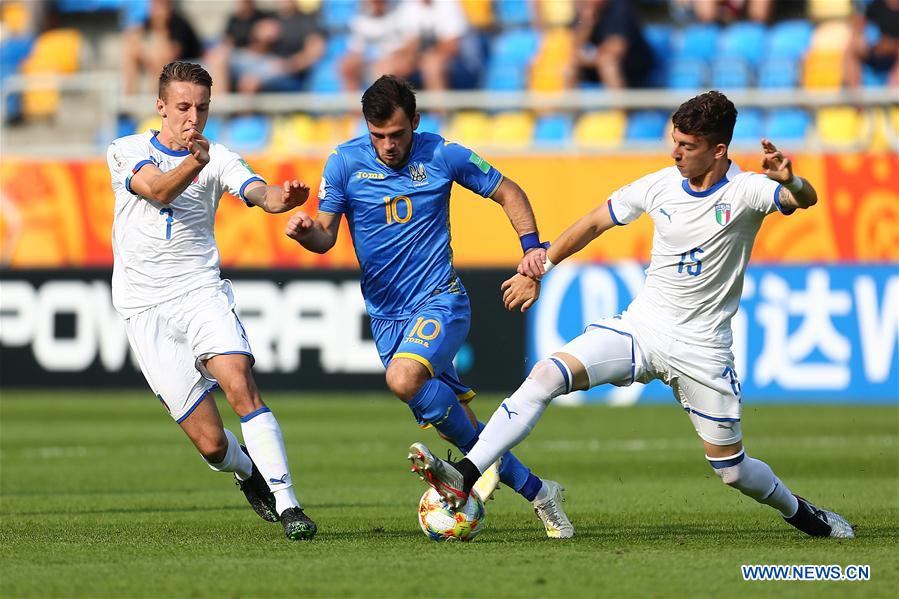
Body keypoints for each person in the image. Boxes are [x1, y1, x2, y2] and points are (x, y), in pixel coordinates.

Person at [409, 91, 855, 540]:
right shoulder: (660, 185)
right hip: (642, 328)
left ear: (719, 150)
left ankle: (801, 513)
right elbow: (594, 222)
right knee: (546, 375)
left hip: (701, 349)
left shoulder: (746, 191)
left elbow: (804, 199)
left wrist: (792, 182)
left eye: (688, 146)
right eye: (674, 141)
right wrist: (539, 266)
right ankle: (465, 475)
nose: (676, 153)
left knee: (733, 471)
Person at [284, 75, 574, 538]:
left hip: (441, 299)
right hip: (386, 318)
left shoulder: (443, 154)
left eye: (397, 134)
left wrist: (531, 256)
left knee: (403, 378)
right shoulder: (343, 162)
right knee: (460, 430)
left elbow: (509, 192)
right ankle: (540, 492)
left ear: (415, 122)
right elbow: (325, 236)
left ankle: (470, 471)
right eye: (377, 135)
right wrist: (304, 232)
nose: (387, 145)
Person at [106, 61, 316, 541]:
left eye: (201, 108)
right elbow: (157, 190)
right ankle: (247, 472)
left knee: (240, 381)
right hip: (144, 310)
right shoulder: (127, 150)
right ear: (160, 107)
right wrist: (193, 163)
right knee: (212, 444)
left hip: (200, 290)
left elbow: (257, 190)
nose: (192, 118)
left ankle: (289, 505)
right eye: (182, 107)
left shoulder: (217, 157)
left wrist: (282, 200)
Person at [568, 0, 654, 89]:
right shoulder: (584, 12)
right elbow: (574, 47)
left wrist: (589, 57)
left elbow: (617, 50)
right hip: (597, 64)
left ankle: (619, 103)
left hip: (632, 67)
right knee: (570, 69)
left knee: (608, 66)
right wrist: (587, 24)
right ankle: (571, 103)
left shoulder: (620, 8)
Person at [122, 0, 202, 94]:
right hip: (157, 59)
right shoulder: (148, 22)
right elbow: (133, 38)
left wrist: (160, 28)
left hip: (187, 63)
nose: (156, 10)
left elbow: (172, 53)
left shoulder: (179, 24)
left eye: (160, 5)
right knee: (131, 53)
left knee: (159, 58)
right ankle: (129, 97)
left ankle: (159, 97)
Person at [844, 0, 899, 88]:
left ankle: (894, 96)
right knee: (852, 49)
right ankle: (855, 98)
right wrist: (859, 38)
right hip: (877, 48)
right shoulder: (876, 4)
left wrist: (891, 44)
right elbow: (860, 24)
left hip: (893, 51)